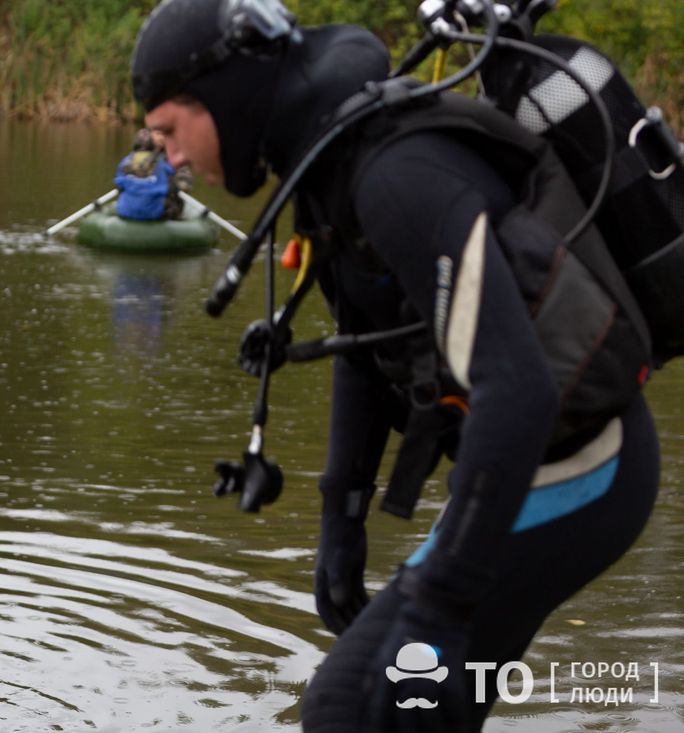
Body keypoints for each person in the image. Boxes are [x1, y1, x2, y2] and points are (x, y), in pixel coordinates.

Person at [130, 1, 660, 731]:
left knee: (355, 706)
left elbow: (519, 390)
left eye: (167, 131)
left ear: (221, 96)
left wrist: (444, 600)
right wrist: (340, 518)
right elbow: (366, 339)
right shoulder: (334, 165)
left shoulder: (393, 173)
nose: (171, 157)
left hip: (583, 467)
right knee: (374, 707)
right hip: (533, 466)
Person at [114, 127, 193, 221]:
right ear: (151, 135)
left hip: (165, 200)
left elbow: (184, 185)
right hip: (147, 202)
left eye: (164, 134)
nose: (161, 137)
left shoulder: (174, 157)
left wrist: (171, 184)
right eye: (158, 134)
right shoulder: (137, 158)